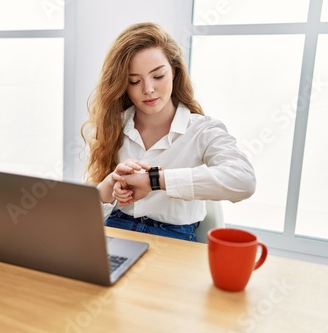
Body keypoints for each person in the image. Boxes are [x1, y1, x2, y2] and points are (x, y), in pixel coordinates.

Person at [81, 22, 256, 242]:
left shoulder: (202, 130)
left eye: (158, 76)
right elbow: (92, 211)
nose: (148, 89)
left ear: (173, 71)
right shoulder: (114, 125)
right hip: (117, 227)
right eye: (134, 81)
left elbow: (244, 181)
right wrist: (109, 186)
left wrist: (155, 180)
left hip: (172, 237)